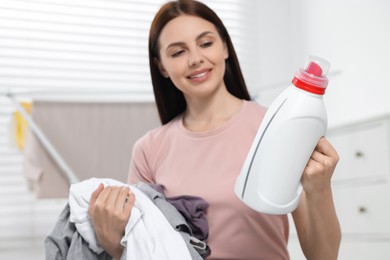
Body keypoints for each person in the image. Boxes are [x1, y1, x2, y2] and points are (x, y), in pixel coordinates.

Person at [88, 0, 341, 259]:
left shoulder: (277, 127)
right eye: (178, 52)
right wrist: (112, 241)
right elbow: (144, 249)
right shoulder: (148, 149)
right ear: (162, 66)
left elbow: (323, 255)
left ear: (225, 47)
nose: (196, 59)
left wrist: (319, 188)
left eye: (206, 43)